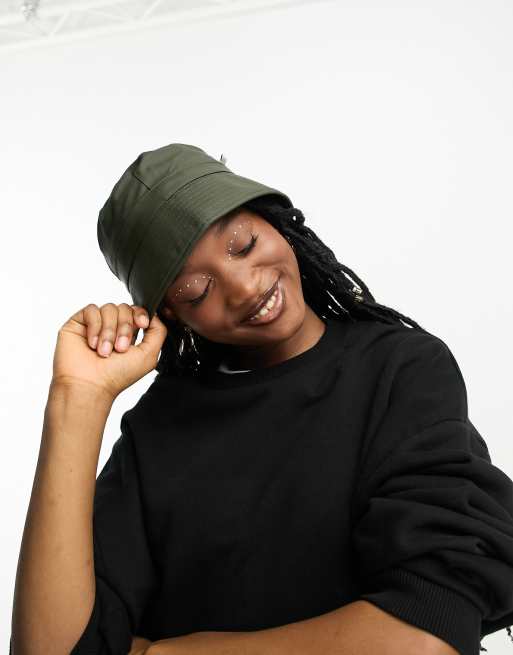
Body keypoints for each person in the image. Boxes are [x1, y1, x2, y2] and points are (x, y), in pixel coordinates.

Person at [10, 144, 513, 655]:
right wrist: (78, 398)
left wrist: (167, 653)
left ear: (273, 220)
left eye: (243, 244)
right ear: (173, 316)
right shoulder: (158, 429)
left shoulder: (399, 369)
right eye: (196, 290)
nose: (245, 287)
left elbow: (428, 634)